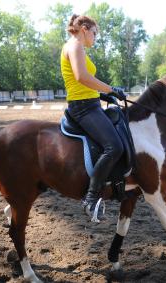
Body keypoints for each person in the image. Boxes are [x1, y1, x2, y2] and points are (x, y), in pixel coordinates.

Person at [61, 14, 126, 221]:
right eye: (95, 33)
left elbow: (84, 84)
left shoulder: (78, 47)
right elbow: (82, 77)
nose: (95, 38)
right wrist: (112, 89)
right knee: (114, 147)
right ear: (84, 29)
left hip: (90, 103)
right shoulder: (75, 46)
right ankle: (90, 199)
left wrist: (104, 94)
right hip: (83, 108)